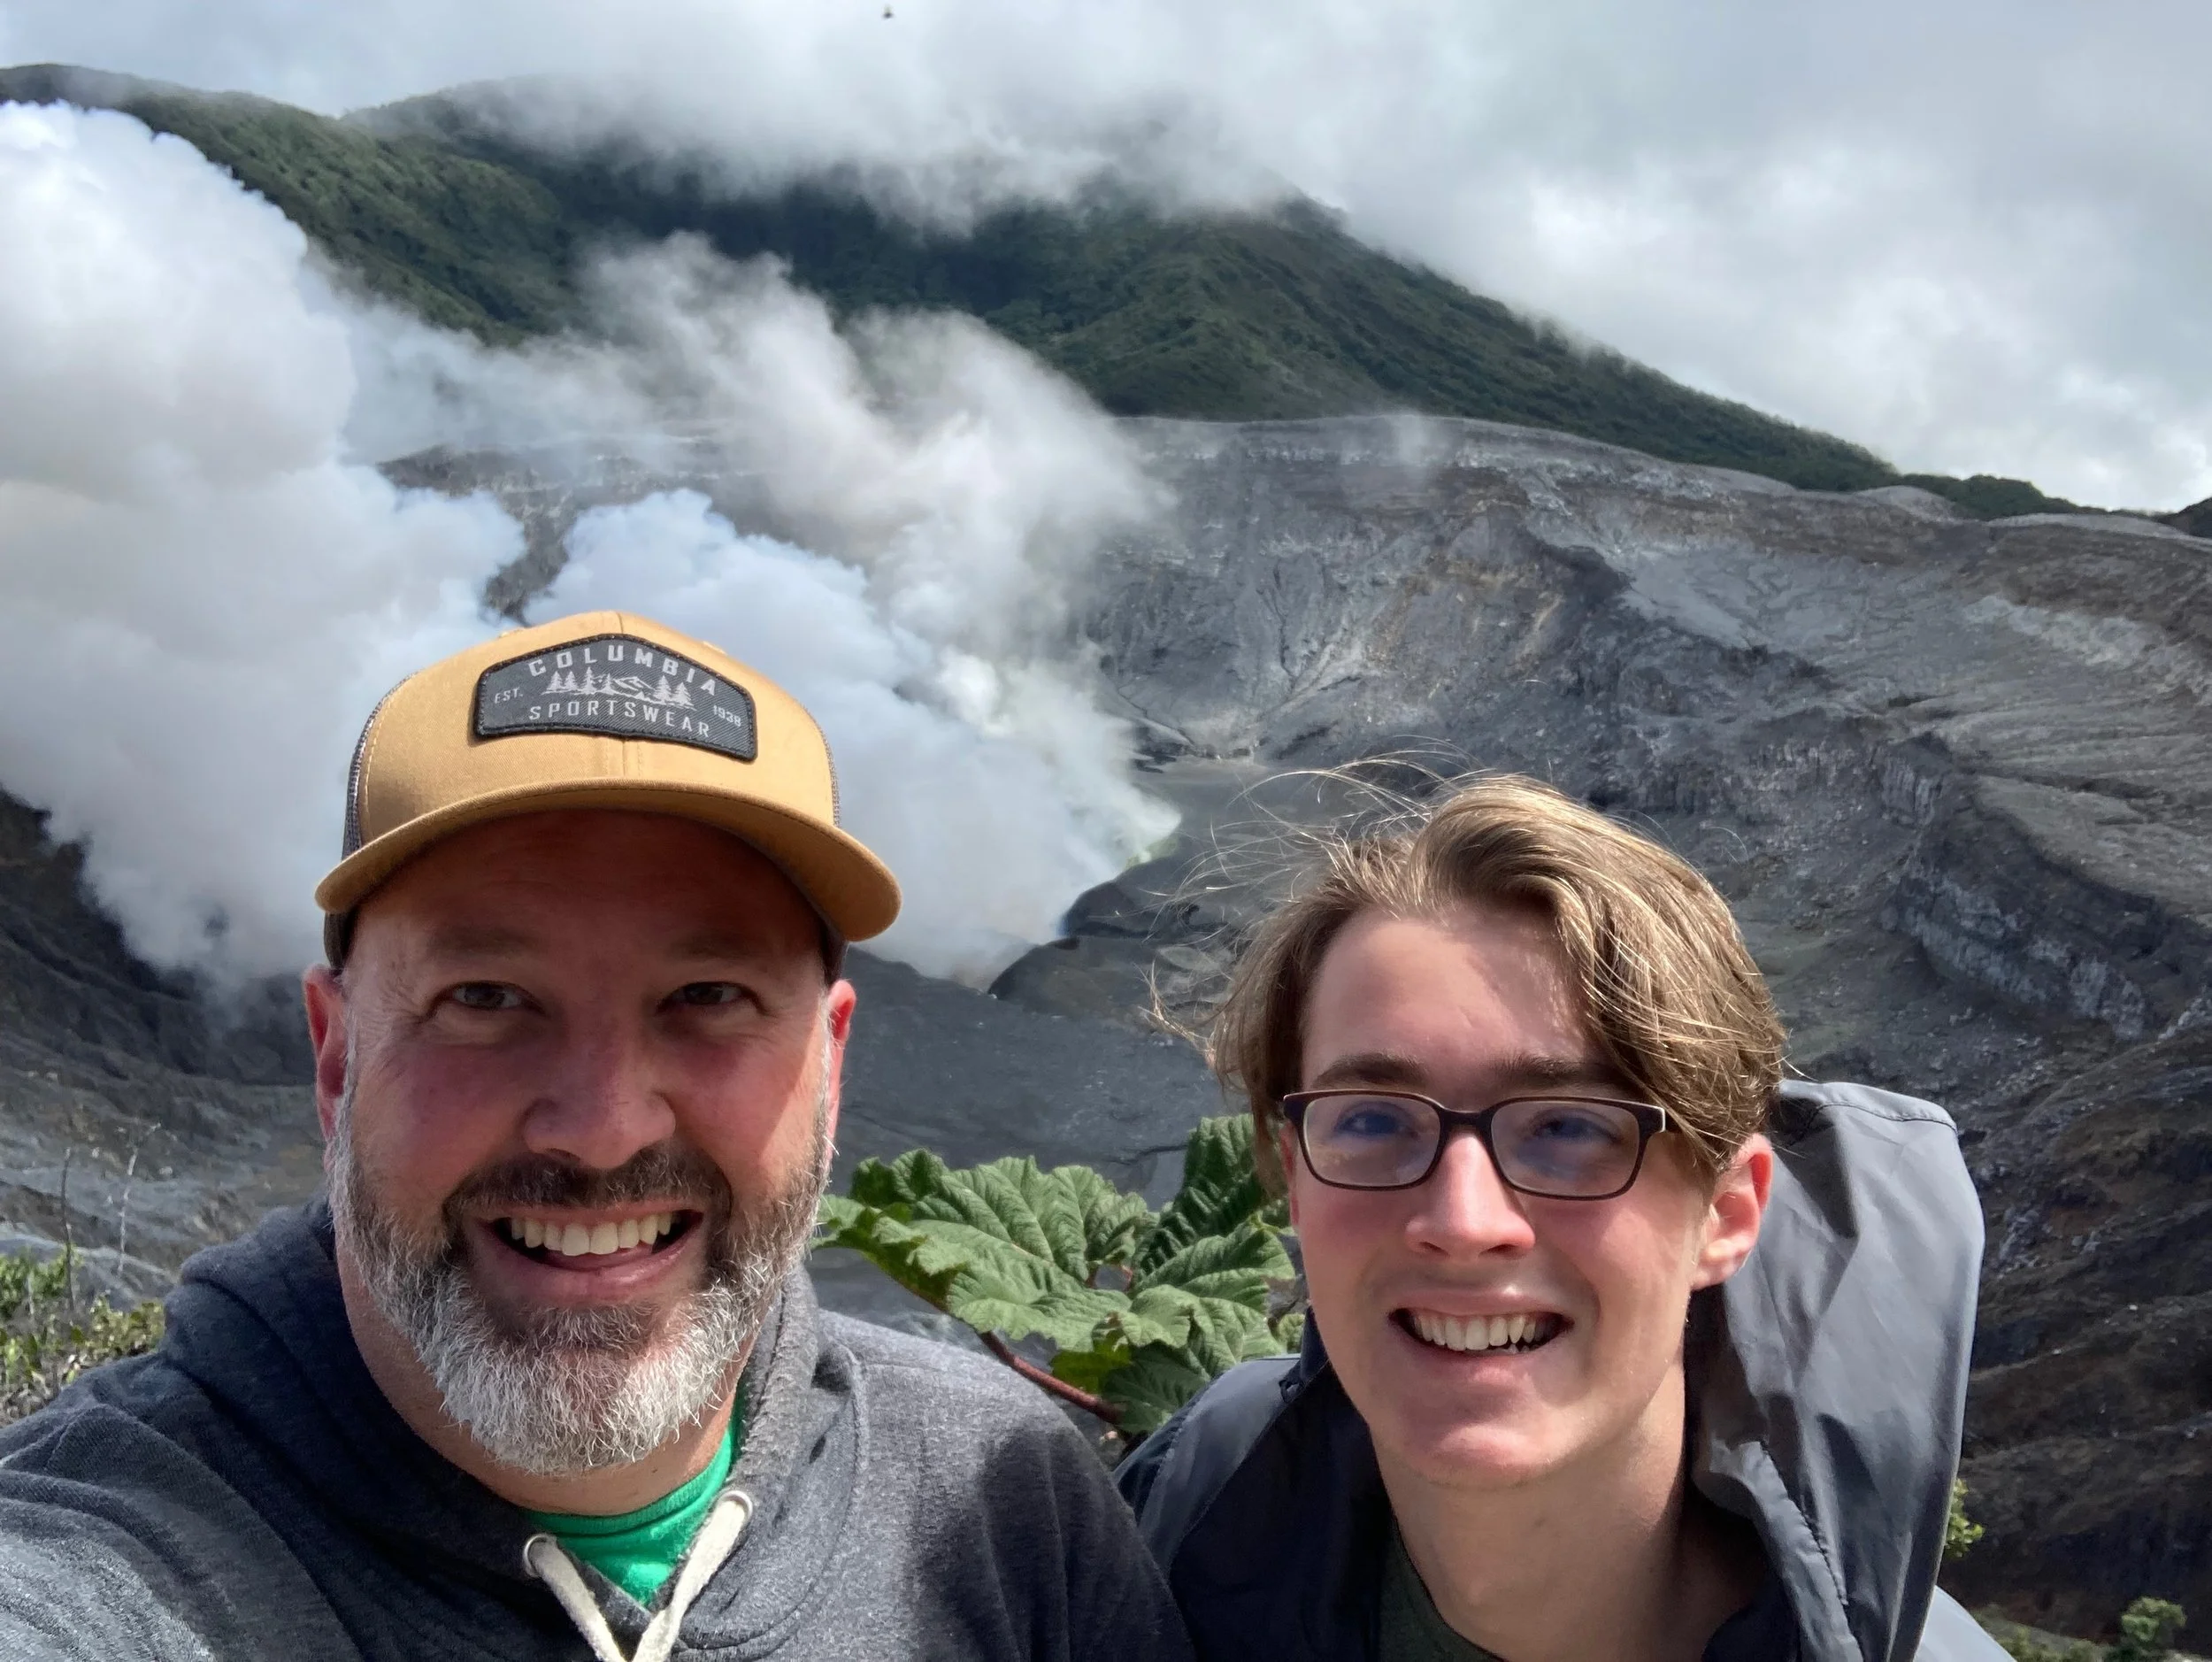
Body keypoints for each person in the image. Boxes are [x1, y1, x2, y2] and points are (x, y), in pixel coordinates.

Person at [0, 611, 1191, 1662]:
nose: (603, 1128)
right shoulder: (100, 1564)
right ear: (337, 1054)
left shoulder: (1004, 1509)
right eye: (485, 998)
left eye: (709, 996)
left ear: (829, 1061)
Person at [1119, 775, 2006, 1662]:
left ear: (1728, 1215)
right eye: (1373, 1121)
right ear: (1294, 1178)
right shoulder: (1181, 1513)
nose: (1463, 1220)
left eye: (1570, 1129)